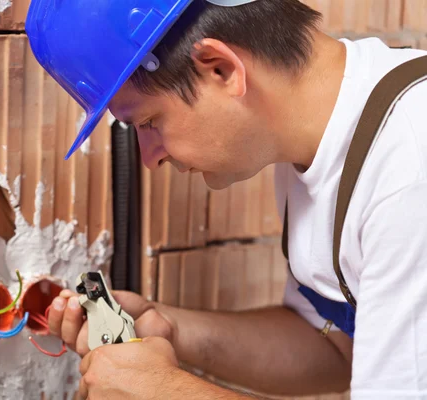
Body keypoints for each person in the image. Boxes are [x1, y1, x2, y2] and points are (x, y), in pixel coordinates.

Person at [25, 0, 427, 398]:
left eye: (148, 123)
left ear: (221, 68)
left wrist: (163, 390)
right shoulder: (316, 139)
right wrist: (167, 327)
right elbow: (337, 348)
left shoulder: (409, 166)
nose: (150, 159)